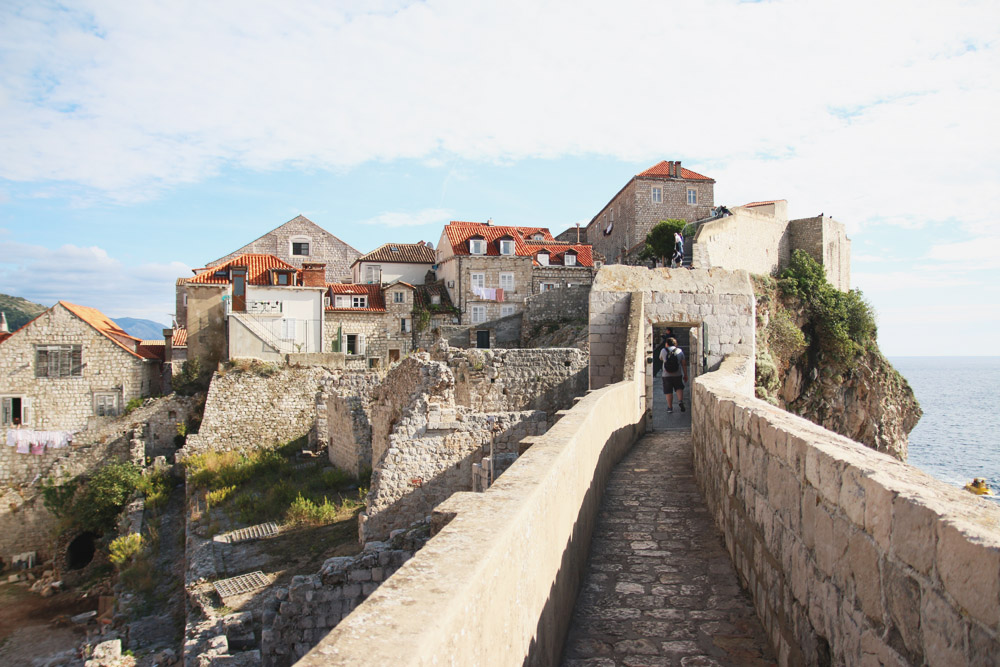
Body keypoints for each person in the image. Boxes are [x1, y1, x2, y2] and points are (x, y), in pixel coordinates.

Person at [659, 337, 688, 413]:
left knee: (668, 391)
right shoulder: (679, 351)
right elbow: (684, 364)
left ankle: (670, 407)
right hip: (677, 374)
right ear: (675, 344)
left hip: (666, 375)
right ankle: (680, 401)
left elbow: (660, 358)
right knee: (679, 388)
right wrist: (685, 374)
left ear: (667, 343)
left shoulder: (663, 350)